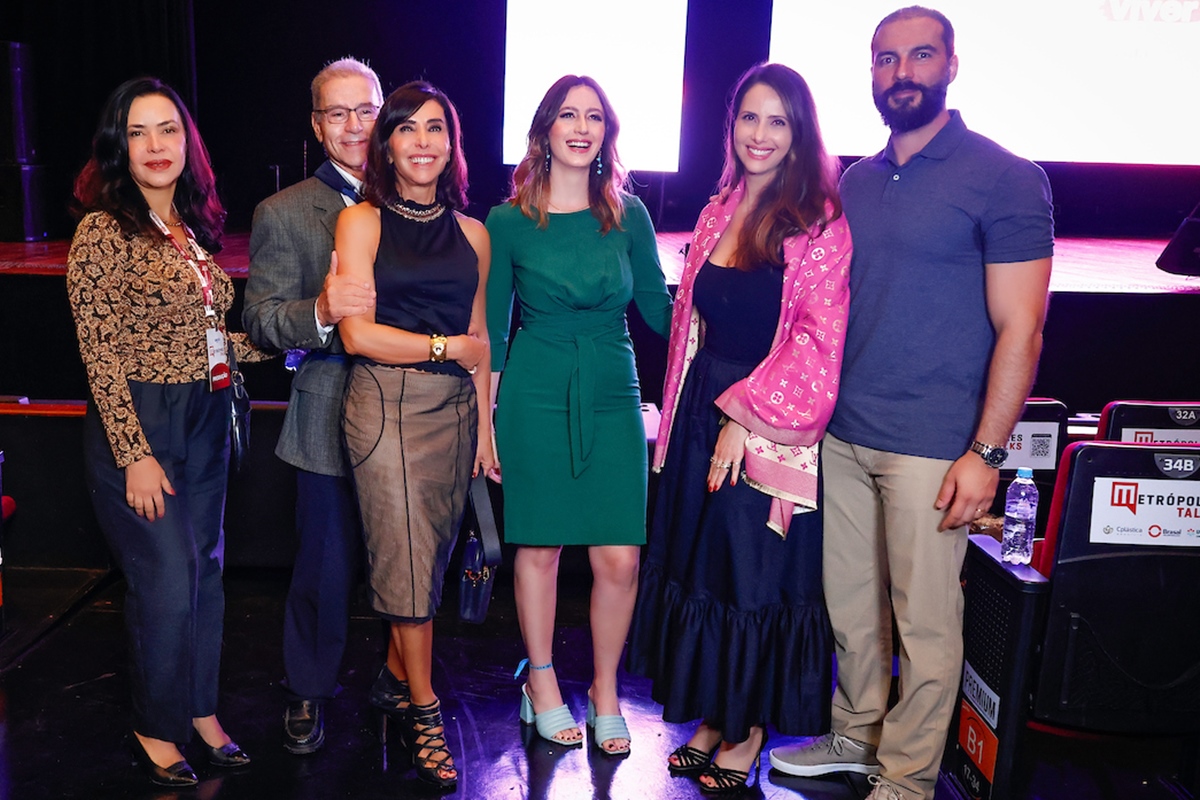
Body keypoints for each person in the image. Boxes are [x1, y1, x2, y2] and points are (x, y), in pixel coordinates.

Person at [767, 8, 1054, 800]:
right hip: (846, 433)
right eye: (885, 59)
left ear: (952, 65)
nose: (901, 73)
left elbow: (1021, 331)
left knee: (925, 627)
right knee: (852, 612)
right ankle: (856, 737)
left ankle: (905, 780)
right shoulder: (855, 180)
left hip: (936, 446)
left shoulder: (1004, 176)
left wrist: (986, 453)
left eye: (919, 56)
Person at [625, 63, 851, 794]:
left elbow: (819, 340)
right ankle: (717, 718)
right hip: (700, 410)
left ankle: (749, 728)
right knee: (704, 567)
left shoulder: (819, 221)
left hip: (765, 420)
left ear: (799, 133)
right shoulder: (721, 207)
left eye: (777, 122)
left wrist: (742, 422)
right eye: (749, 118)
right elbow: (695, 320)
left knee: (750, 574)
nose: (760, 135)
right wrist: (696, 414)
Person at [66, 77, 266, 787]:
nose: (157, 146)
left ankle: (202, 712)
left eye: (169, 130)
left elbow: (214, 341)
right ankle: (157, 724)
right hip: (142, 424)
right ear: (120, 145)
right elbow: (99, 352)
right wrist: (134, 454)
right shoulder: (102, 231)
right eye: (140, 132)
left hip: (206, 418)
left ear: (188, 142)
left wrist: (300, 335)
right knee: (166, 585)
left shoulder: (193, 230)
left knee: (206, 576)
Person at [486, 75, 672, 756]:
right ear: (545, 128)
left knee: (619, 559)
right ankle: (540, 682)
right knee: (539, 548)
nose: (582, 126)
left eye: (594, 116)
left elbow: (658, 312)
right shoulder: (507, 221)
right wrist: (486, 423)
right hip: (534, 389)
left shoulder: (629, 215)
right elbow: (494, 332)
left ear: (606, 134)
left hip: (611, 389)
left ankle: (604, 689)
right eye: (569, 113)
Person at [335, 80, 493, 790]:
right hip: (385, 406)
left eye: (437, 127)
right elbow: (357, 334)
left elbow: (482, 341)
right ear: (387, 144)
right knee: (401, 557)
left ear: (451, 144)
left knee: (426, 563)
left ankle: (394, 683)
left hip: (457, 413)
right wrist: (439, 349)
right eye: (408, 129)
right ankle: (424, 711)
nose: (423, 141)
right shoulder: (361, 222)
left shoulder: (474, 234)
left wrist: (486, 430)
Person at [243, 57, 403, 755]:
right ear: (316, 125)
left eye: (365, 110)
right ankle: (309, 690)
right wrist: (319, 311)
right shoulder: (283, 213)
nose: (353, 127)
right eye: (336, 114)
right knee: (325, 567)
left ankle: (401, 681)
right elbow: (260, 319)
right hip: (325, 414)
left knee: (405, 561)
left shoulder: (418, 197)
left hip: (409, 412)